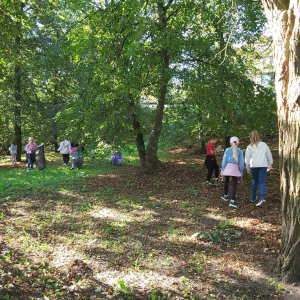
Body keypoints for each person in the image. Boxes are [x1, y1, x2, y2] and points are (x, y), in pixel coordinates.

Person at [245, 131, 273, 207]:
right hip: (263, 165)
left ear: (250, 138)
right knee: (262, 181)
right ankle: (262, 198)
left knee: (255, 181)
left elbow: (247, 158)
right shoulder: (264, 145)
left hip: (254, 165)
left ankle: (253, 197)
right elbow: (269, 154)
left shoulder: (249, 146)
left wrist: (247, 167)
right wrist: (270, 164)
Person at [221, 136, 244, 209]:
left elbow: (224, 160)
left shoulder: (227, 150)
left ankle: (225, 195)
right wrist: (241, 171)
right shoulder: (240, 151)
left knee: (226, 181)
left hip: (227, 167)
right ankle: (232, 200)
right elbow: (241, 163)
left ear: (230, 143)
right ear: (238, 143)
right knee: (234, 184)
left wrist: (222, 169)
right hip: (235, 168)